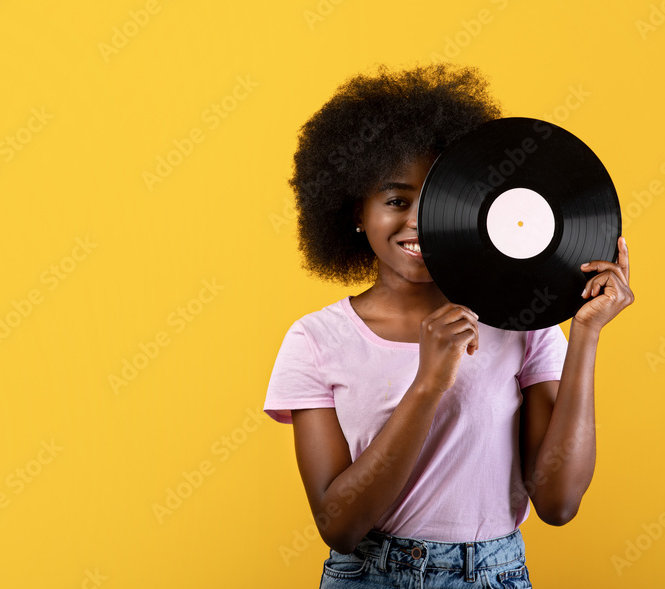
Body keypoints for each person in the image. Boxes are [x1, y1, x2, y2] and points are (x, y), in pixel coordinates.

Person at [263, 63, 634, 589]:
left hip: (493, 575)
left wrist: (587, 335)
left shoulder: (519, 321)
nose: (417, 222)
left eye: (436, 201)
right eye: (396, 201)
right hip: (370, 577)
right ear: (355, 213)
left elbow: (558, 502)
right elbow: (339, 527)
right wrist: (430, 380)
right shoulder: (316, 340)